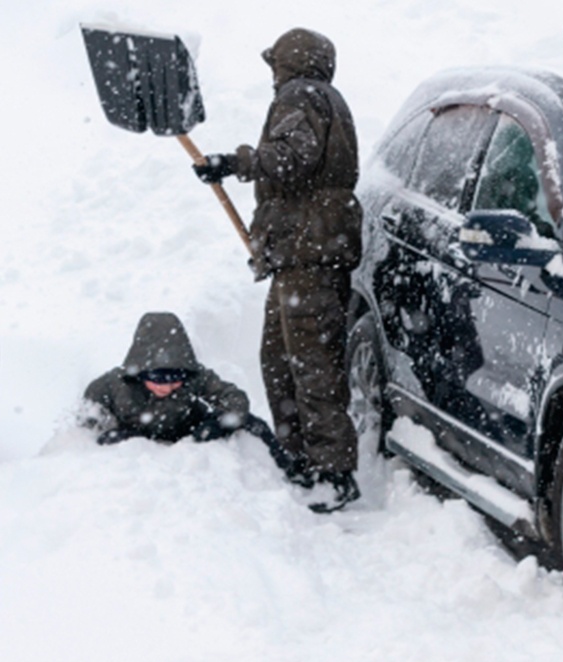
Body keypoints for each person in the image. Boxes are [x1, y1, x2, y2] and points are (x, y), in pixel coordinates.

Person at [192, 27, 361, 509]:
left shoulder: (300, 94)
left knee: (310, 365)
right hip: (304, 253)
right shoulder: (327, 97)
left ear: (289, 63)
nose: (273, 76)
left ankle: (331, 473)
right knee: (281, 358)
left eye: (275, 66)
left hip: (308, 253)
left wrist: (235, 161)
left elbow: (294, 158)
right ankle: (299, 458)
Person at [82, 312, 346, 512]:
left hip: (186, 428)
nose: (168, 386)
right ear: (139, 372)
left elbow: (235, 397)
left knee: (254, 425)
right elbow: (87, 414)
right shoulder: (114, 385)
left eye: (176, 378)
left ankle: (291, 474)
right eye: (159, 379)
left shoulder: (196, 378)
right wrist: (110, 432)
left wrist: (220, 422)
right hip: (137, 431)